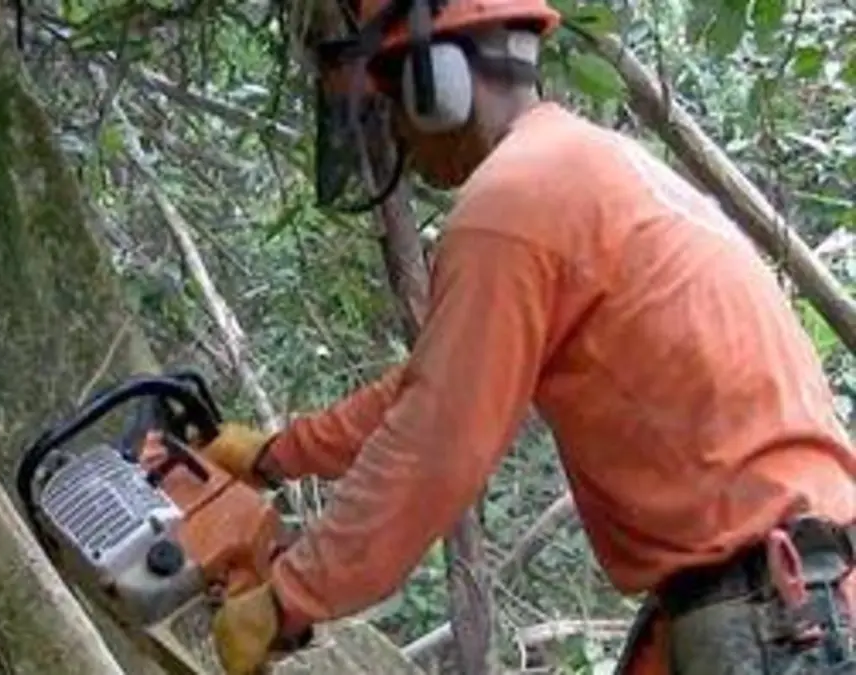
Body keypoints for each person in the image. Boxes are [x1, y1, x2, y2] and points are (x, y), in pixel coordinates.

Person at [142, 0, 856, 672]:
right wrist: (278, 454)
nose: (396, 135)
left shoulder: (511, 204)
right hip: (791, 584)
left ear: (435, 84)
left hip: (772, 609)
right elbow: (434, 386)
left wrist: (288, 597)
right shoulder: (580, 166)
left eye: (392, 104)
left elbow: (435, 444)